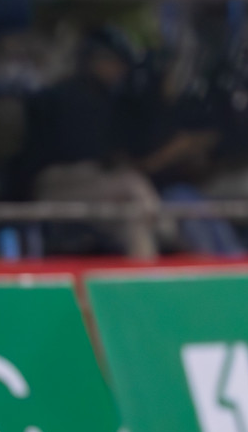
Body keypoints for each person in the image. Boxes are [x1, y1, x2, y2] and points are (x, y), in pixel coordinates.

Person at [22, 29, 165, 260]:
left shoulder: (109, 98)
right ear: (94, 60)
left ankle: (145, 286)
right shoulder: (63, 94)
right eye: (115, 62)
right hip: (56, 184)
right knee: (133, 184)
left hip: (92, 189)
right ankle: (166, 226)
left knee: (133, 222)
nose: (121, 70)